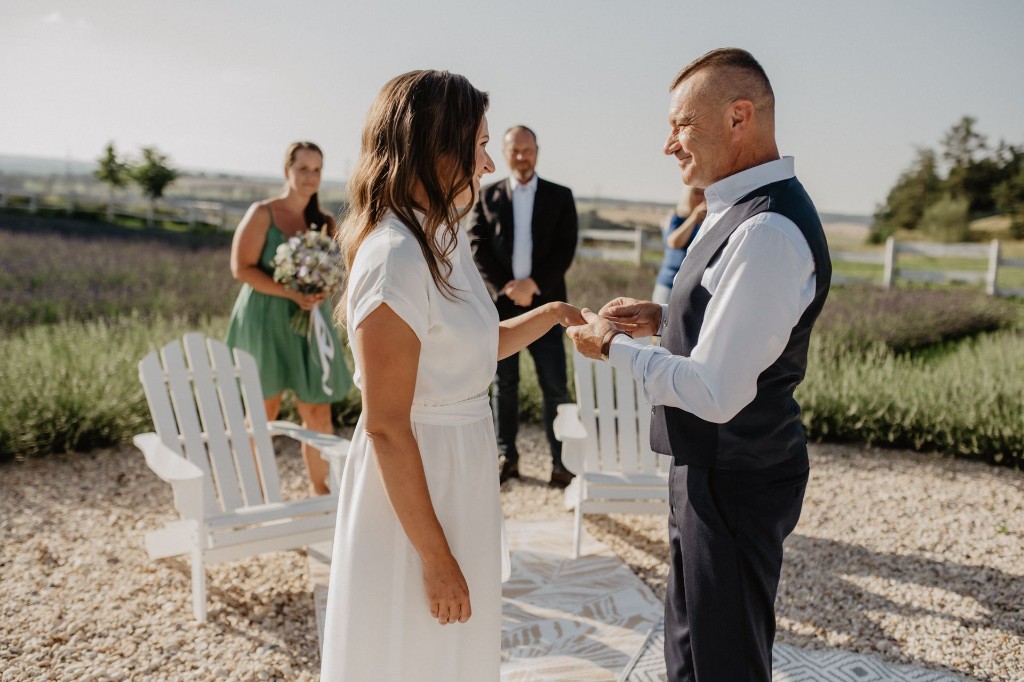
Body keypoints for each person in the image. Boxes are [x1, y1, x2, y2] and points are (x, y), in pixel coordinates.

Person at [566, 48, 831, 682]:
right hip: (710, 467)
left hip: (735, 476)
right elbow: (734, 325)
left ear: (739, 117)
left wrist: (612, 348)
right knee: (691, 650)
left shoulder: (766, 231)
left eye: (681, 124)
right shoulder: (739, 210)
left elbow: (714, 390)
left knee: (724, 663)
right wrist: (664, 320)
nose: (668, 145)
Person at [320, 70, 583, 681]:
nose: (489, 162)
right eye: (479, 144)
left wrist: (553, 315)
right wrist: (436, 558)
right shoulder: (394, 255)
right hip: (415, 483)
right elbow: (386, 426)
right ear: (435, 148)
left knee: (454, 655)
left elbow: (468, 349)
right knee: (410, 648)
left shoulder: (442, 236)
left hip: (458, 468)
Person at [226, 141, 353, 496]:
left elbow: (339, 269)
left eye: (317, 169)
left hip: (310, 322)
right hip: (265, 319)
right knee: (264, 409)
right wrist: (290, 293)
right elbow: (241, 268)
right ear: (287, 170)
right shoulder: (262, 213)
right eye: (303, 168)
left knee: (318, 410)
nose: (310, 176)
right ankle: (258, 493)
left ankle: (321, 492)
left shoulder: (325, 222)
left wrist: (322, 290)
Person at [466, 125, 579, 487]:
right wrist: (507, 288)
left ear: (537, 150)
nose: (521, 156)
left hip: (546, 307)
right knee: (505, 385)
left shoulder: (560, 196)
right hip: (501, 306)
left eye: (527, 149)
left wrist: (535, 286)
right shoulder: (487, 195)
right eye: (514, 150)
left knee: (555, 386)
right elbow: (477, 245)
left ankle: (562, 463)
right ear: (504, 152)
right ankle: (506, 457)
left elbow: (565, 249)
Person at [652, 186, 705, 304]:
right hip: (669, 284)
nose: (701, 197)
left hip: (689, 287)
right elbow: (674, 242)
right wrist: (693, 217)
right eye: (696, 193)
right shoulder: (677, 217)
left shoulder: (706, 221)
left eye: (704, 193)